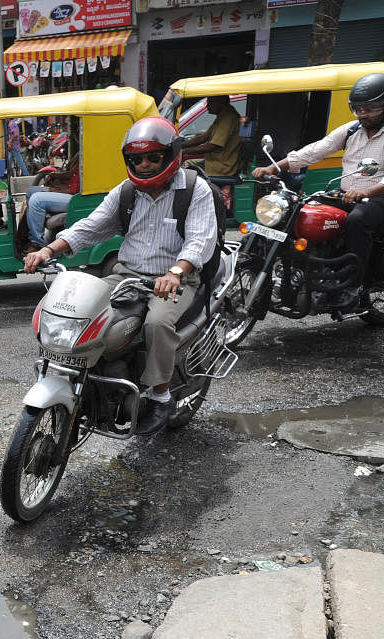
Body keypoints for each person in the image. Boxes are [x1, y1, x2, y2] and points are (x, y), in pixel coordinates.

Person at [23, 117, 217, 435]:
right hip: (126, 275)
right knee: (82, 312)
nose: (143, 165)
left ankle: (160, 395)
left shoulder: (195, 191)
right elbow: (91, 226)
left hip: (174, 281)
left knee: (157, 323)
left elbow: (200, 241)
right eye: (136, 159)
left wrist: (176, 272)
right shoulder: (126, 192)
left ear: (171, 155)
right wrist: (48, 250)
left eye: (153, 157)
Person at [252, 72, 384, 310]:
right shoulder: (352, 130)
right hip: (347, 193)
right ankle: (313, 268)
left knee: (358, 220)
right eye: (358, 109)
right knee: (303, 208)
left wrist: (367, 193)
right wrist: (274, 166)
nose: (363, 114)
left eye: (370, 109)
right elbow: (316, 150)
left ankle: (352, 286)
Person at [180, 95, 241, 209]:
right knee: (188, 163)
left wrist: (183, 151)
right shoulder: (222, 116)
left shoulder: (228, 117)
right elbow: (203, 138)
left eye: (209, 102)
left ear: (220, 102)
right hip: (214, 161)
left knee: (186, 170)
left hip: (221, 167)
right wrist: (180, 145)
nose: (207, 106)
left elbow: (213, 146)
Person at [23, 155, 79, 248]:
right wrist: (55, 175)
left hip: (77, 197)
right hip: (70, 190)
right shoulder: (80, 155)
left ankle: (37, 243)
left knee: (36, 200)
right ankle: (32, 233)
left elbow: (76, 188)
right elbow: (72, 173)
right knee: (31, 192)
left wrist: (57, 190)